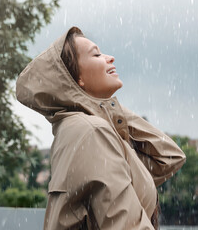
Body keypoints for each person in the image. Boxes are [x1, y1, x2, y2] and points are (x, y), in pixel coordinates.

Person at [16, 27, 186, 230]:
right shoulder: (92, 131)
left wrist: (103, 106)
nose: (110, 58)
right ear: (76, 78)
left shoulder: (83, 127)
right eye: (96, 54)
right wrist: (97, 105)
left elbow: (169, 157)